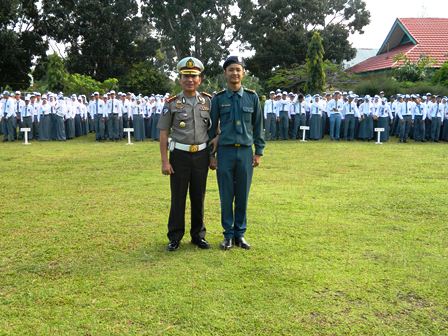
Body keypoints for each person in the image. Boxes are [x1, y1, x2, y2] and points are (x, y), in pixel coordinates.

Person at [209, 56, 265, 250]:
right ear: (225, 73)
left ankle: (240, 235)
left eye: (238, 69)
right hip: (225, 153)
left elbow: (258, 126)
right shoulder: (218, 99)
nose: (234, 73)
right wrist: (211, 155)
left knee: (242, 194)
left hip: (245, 154)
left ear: (243, 73)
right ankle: (227, 235)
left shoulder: (252, 97)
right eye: (231, 69)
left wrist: (258, 152)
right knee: (226, 195)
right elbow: (211, 128)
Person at [157, 56, 213, 252]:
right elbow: (163, 133)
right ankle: (175, 237)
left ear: (200, 79)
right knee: (178, 197)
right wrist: (165, 161)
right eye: (186, 76)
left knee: (199, 197)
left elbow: (214, 132)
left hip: (201, 156)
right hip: (179, 157)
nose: (190, 80)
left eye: (194, 76)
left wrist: (212, 157)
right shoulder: (171, 103)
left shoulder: (207, 101)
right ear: (179, 79)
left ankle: (198, 235)